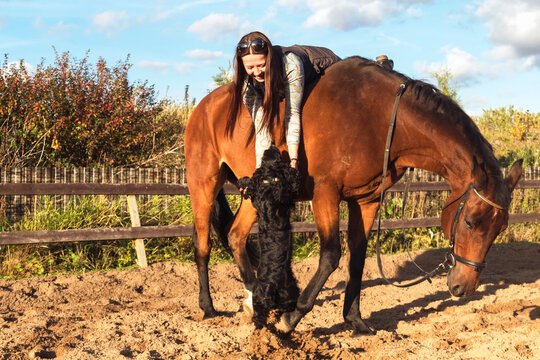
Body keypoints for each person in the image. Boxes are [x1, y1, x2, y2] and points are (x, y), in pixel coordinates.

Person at [225, 31, 341, 170]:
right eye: (250, 67)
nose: (256, 72)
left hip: (326, 67)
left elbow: (292, 112)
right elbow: (261, 126)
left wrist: (293, 160)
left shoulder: (290, 63)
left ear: (270, 59)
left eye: (261, 65)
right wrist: (260, 169)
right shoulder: (246, 85)